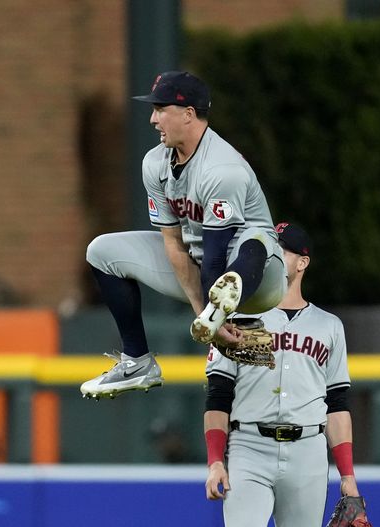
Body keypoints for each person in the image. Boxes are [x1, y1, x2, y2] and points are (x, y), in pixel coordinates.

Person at [81, 71, 286, 399]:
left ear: (189, 114)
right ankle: (137, 361)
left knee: (254, 239)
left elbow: (217, 252)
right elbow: (173, 244)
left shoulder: (222, 169)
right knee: (101, 251)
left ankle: (223, 306)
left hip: (260, 275)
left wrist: (213, 318)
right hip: (200, 266)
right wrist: (203, 317)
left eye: (161, 109)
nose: (152, 118)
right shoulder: (155, 163)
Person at [204, 223, 363, 526]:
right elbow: (218, 395)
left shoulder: (329, 326)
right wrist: (215, 462)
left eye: (281, 250)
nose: (270, 257)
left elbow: (337, 404)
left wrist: (348, 476)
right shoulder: (236, 319)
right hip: (248, 447)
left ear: (302, 262)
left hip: (308, 451)